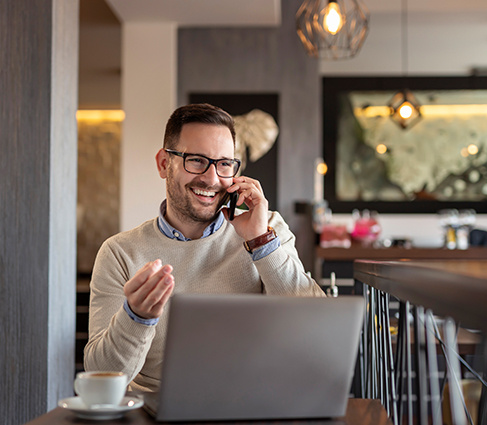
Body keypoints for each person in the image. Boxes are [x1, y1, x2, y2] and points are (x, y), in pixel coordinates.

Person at [84, 103, 325, 393]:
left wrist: (261, 243)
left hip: (249, 404)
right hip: (155, 409)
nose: (212, 179)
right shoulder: (119, 252)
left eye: (224, 163)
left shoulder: (267, 229)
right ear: (164, 164)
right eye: (196, 160)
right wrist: (136, 317)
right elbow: (101, 375)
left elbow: (315, 329)